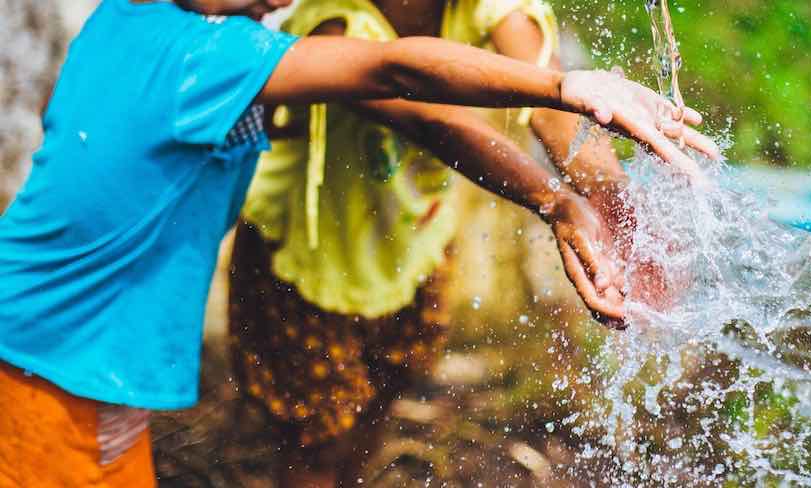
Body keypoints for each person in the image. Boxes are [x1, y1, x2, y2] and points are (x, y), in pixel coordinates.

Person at [0, 0, 717, 486]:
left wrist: (595, 198)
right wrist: (565, 89)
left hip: (74, 352)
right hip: (57, 358)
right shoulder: (211, 54)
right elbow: (396, 76)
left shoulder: (131, 18)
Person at [227, 1, 647, 485]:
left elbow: (554, 106)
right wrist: (556, 202)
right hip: (307, 254)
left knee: (383, 394)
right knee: (316, 440)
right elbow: (434, 119)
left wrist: (612, 200)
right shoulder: (332, 21)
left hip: (413, 238)